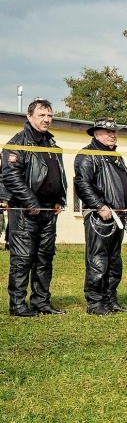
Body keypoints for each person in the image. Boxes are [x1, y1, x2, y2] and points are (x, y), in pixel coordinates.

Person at [75, 118, 127, 315]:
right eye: (106, 132)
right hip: (99, 217)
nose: (112, 135)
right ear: (96, 133)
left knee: (114, 261)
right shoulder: (87, 155)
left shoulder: (116, 157)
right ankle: (96, 303)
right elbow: (83, 184)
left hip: (118, 216)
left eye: (114, 132)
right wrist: (99, 205)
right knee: (98, 260)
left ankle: (111, 299)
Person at [2, 99, 68, 317]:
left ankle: (41, 302)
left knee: (44, 258)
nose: (47, 120)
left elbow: (59, 174)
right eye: (42, 115)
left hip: (49, 212)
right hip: (24, 211)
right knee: (22, 259)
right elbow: (10, 176)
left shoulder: (51, 144)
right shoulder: (17, 143)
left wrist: (60, 198)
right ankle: (18, 305)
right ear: (29, 117)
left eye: (49, 116)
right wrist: (31, 202)